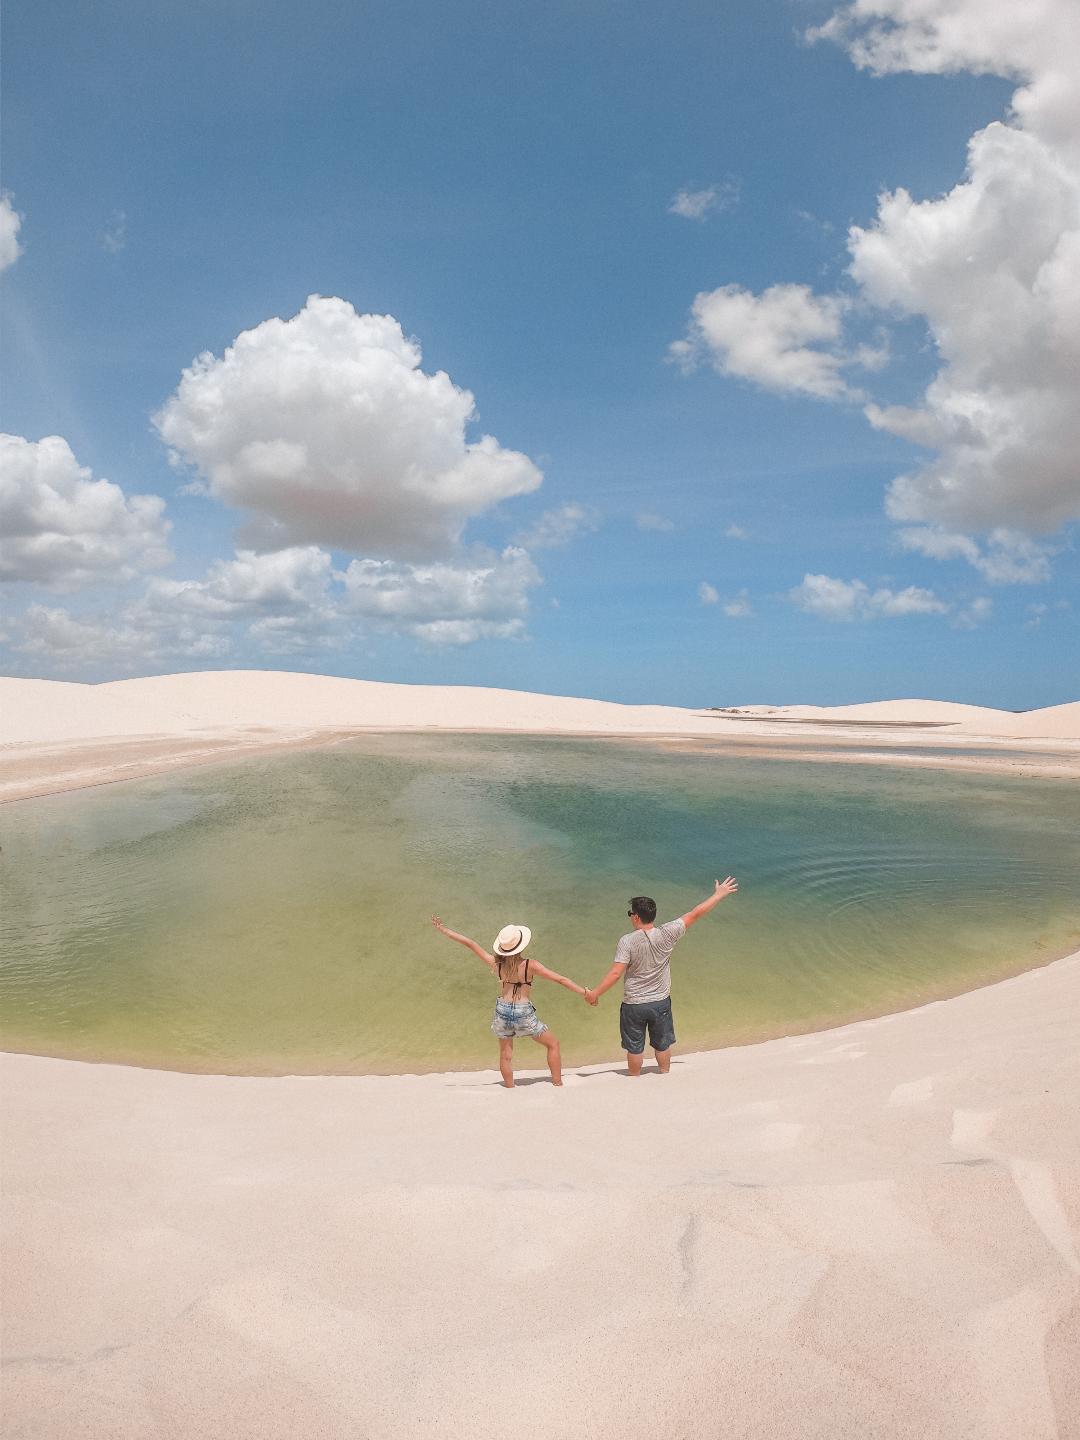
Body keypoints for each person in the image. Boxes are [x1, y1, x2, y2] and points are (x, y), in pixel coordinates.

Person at [584, 877, 738, 1076]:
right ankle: (664, 1074)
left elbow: (615, 973)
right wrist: (718, 894)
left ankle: (634, 1078)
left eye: (631, 913)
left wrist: (595, 994)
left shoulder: (627, 941)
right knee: (662, 1044)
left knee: (634, 1047)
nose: (631, 917)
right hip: (660, 1002)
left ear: (637, 917)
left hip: (634, 1004)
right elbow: (696, 913)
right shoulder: (668, 933)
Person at [431, 916, 591, 1088]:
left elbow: (470, 943)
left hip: (502, 1010)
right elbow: (561, 979)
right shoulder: (531, 965)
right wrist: (586, 993)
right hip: (523, 1011)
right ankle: (557, 1083)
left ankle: (509, 1087)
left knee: (506, 1055)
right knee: (553, 1044)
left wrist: (443, 930)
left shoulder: (496, 964)